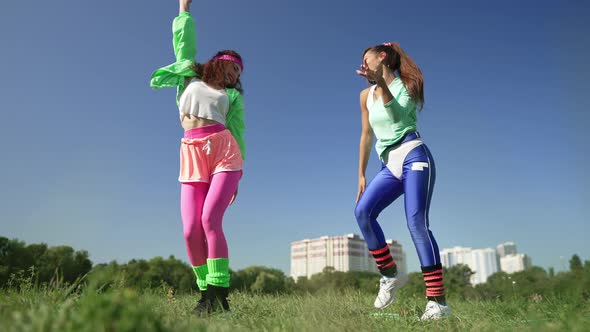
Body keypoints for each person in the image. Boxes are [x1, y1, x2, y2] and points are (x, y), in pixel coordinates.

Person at [150, 0, 246, 315]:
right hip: (191, 153)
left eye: (238, 73)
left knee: (209, 220)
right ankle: (205, 292)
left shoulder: (231, 97)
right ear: (217, 63)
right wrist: (183, 9)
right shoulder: (189, 78)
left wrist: (238, 179)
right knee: (190, 228)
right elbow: (183, 43)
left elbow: (238, 132)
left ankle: (219, 295)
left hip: (224, 153)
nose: (234, 75)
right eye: (232, 67)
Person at [354, 42, 451, 320]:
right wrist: (361, 173)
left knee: (416, 224)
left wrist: (381, 85)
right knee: (363, 212)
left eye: (366, 58)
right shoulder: (364, 96)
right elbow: (366, 135)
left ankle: (438, 303)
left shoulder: (407, 84)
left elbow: (396, 115)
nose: (363, 63)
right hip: (389, 164)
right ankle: (390, 275)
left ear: (381, 57)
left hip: (413, 155)